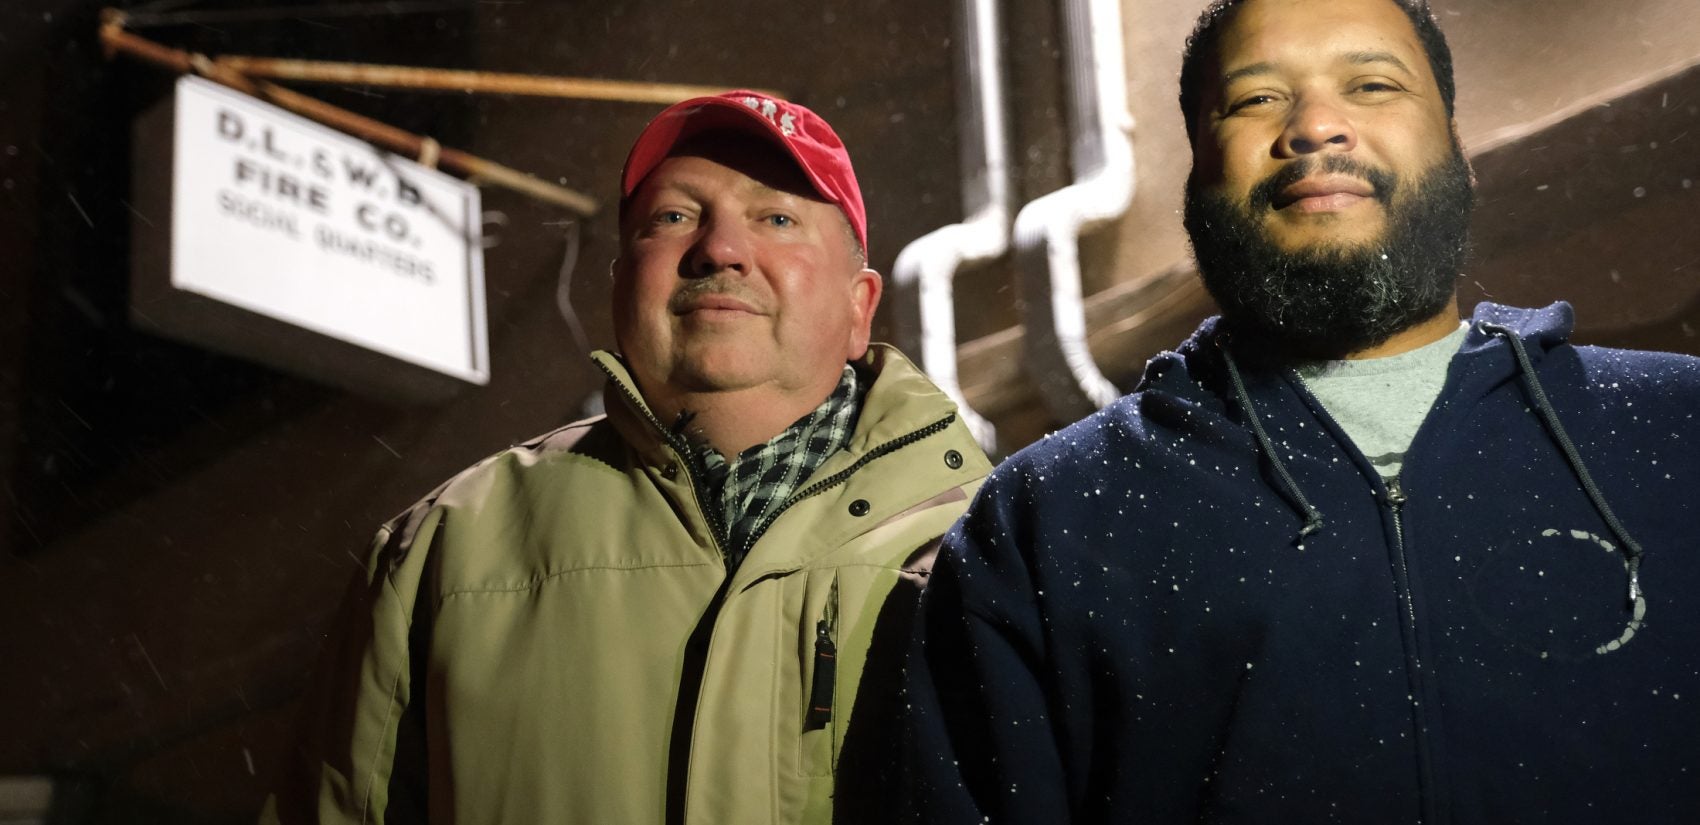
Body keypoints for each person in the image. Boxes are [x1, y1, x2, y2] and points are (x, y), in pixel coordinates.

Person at [850, 0, 1700, 822]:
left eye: (1372, 84)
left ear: (1459, 153)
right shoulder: (1048, 516)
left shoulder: (1676, 430)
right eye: (1257, 98)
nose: (1314, 127)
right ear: (1198, 173)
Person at [261, 90, 992, 825]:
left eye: (777, 218)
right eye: (674, 217)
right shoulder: (440, 555)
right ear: (619, 286)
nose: (721, 249)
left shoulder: (988, 548)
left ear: (859, 306)